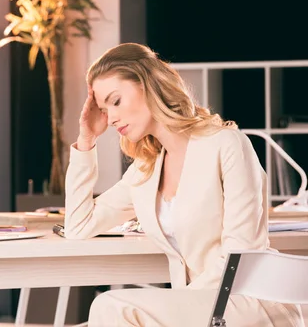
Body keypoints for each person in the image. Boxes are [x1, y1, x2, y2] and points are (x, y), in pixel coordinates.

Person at [64, 43, 302, 326]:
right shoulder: (146, 169)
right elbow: (79, 225)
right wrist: (87, 139)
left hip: (246, 301)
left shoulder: (226, 145)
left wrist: (180, 304)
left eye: (115, 101)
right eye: (103, 109)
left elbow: (241, 255)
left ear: (148, 85)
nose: (111, 117)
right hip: (195, 307)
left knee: (111, 306)